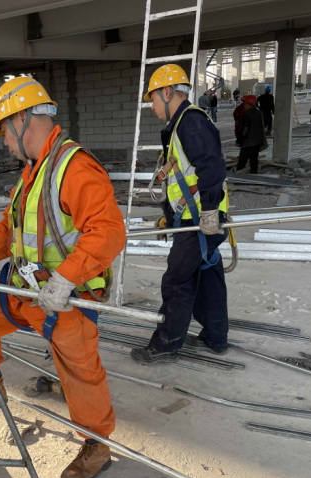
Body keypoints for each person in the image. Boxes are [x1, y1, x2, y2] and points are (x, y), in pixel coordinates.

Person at [0, 77, 125, 478]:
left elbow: (108, 231)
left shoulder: (73, 167)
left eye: (5, 132)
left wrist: (65, 279)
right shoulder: (34, 171)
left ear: (22, 119)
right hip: (26, 291)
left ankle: (96, 445)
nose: (5, 144)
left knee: (80, 373)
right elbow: (7, 230)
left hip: (67, 298)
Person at [129, 64, 229, 365]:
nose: (152, 106)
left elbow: (211, 168)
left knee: (177, 281)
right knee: (208, 276)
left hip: (200, 220)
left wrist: (209, 211)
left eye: (153, 99)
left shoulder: (190, 122)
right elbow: (182, 178)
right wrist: (171, 217)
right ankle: (215, 337)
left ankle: (166, 345)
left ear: (167, 91)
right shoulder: (181, 126)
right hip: (197, 218)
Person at [236, 95, 265, 174]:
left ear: (249, 105)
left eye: (245, 104)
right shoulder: (259, 112)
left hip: (248, 142)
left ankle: (237, 176)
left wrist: (239, 141)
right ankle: (254, 175)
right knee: (254, 161)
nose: (244, 106)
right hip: (257, 141)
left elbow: (245, 129)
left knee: (242, 161)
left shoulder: (248, 114)